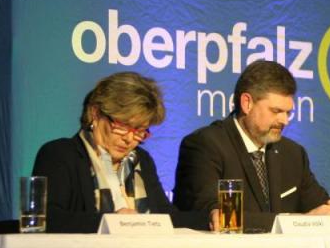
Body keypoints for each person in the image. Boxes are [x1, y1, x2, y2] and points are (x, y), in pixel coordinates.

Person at [173, 60, 330, 233]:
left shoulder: (293, 154)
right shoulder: (205, 145)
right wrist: (301, 221)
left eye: (288, 112)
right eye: (276, 111)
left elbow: (321, 206)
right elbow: (219, 218)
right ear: (247, 103)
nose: (285, 120)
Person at [32, 72, 209, 232]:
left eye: (140, 131)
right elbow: (48, 219)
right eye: (123, 126)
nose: (129, 139)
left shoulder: (141, 160)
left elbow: (166, 218)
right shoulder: (60, 155)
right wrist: (112, 222)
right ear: (95, 113)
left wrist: (212, 218)